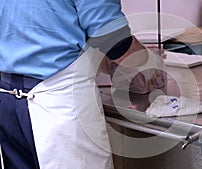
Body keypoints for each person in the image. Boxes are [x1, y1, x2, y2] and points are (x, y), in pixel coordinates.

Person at [0, 0, 165, 169]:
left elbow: (44, 33)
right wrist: (148, 62)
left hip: (8, 104)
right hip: (59, 108)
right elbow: (116, 43)